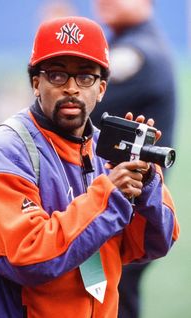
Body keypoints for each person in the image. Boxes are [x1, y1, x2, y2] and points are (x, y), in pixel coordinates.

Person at [0, 16, 179, 318]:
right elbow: (29, 256)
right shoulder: (7, 150)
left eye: (85, 77)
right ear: (36, 83)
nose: (72, 88)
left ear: (102, 88)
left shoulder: (108, 151)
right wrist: (110, 195)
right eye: (58, 76)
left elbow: (154, 243)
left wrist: (145, 187)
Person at [91, 1, 177, 317]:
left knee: (109, 294)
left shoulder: (138, 52)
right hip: (117, 200)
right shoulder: (129, 45)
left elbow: (77, 110)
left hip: (126, 207)